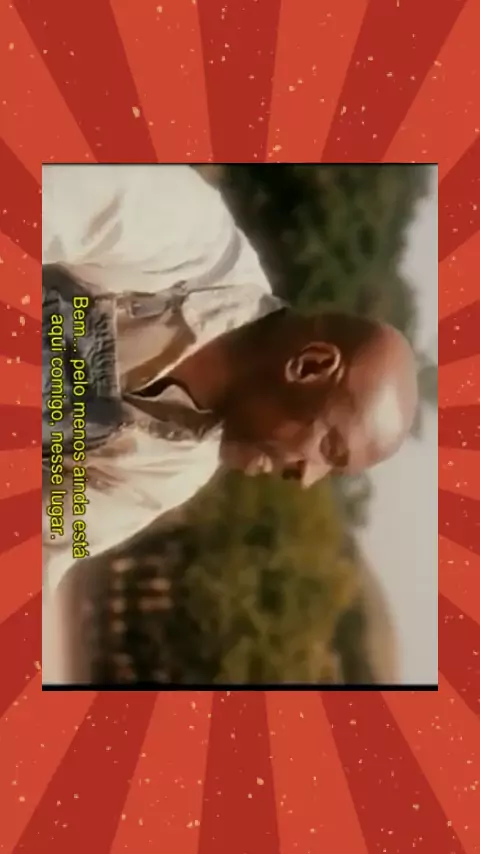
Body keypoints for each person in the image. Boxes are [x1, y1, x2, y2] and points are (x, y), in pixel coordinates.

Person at [42, 164, 418, 682]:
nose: (304, 478)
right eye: (329, 449)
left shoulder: (175, 471)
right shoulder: (186, 233)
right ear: (310, 366)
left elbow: (55, 537)